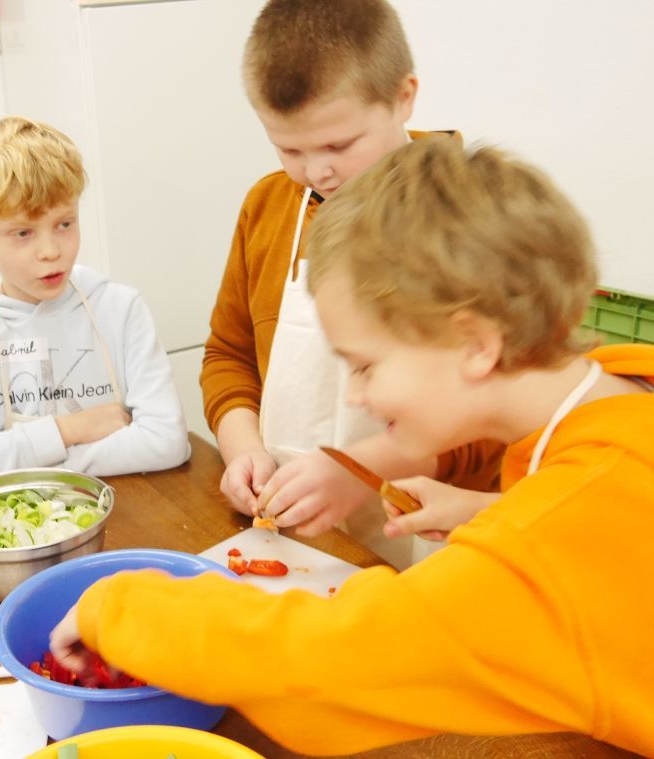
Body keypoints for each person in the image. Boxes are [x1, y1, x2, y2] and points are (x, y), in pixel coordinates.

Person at [50, 139, 654, 756]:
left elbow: (324, 666)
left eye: (364, 366)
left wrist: (116, 608)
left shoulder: (554, 537)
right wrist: (485, 514)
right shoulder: (624, 393)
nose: (358, 397)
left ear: (474, 343)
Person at [201, 0, 502, 568]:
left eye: (340, 146)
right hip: (288, 534)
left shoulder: (467, 221)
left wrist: (364, 469)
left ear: (403, 97)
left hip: (427, 541)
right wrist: (243, 448)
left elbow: (497, 419)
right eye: (290, 149)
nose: (317, 172)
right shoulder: (268, 207)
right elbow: (228, 355)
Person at [0, 116, 190, 477]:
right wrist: (71, 429)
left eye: (64, 224)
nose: (51, 251)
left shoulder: (120, 309)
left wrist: (33, 459)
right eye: (23, 233)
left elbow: (167, 441)